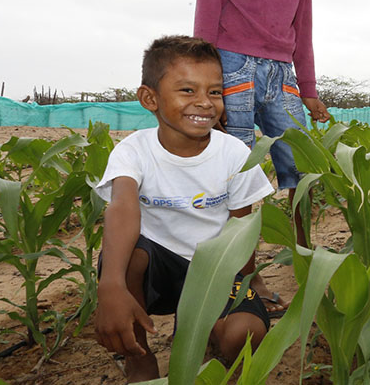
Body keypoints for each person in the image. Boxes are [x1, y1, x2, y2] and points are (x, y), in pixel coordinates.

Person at [193, 0, 330, 312]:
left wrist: (307, 89)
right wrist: (206, 87)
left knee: (301, 171)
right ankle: (245, 276)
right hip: (232, 66)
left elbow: (303, 26)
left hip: (282, 74)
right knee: (240, 172)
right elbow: (208, 12)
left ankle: (306, 263)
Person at [94, 35, 275, 382]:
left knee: (244, 334)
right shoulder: (134, 151)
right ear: (150, 98)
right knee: (128, 256)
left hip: (215, 269)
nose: (205, 103)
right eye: (188, 91)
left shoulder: (235, 154)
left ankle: (208, 332)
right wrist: (110, 285)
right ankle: (139, 357)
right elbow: (122, 210)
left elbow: (242, 232)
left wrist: (250, 283)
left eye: (215, 92)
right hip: (157, 272)